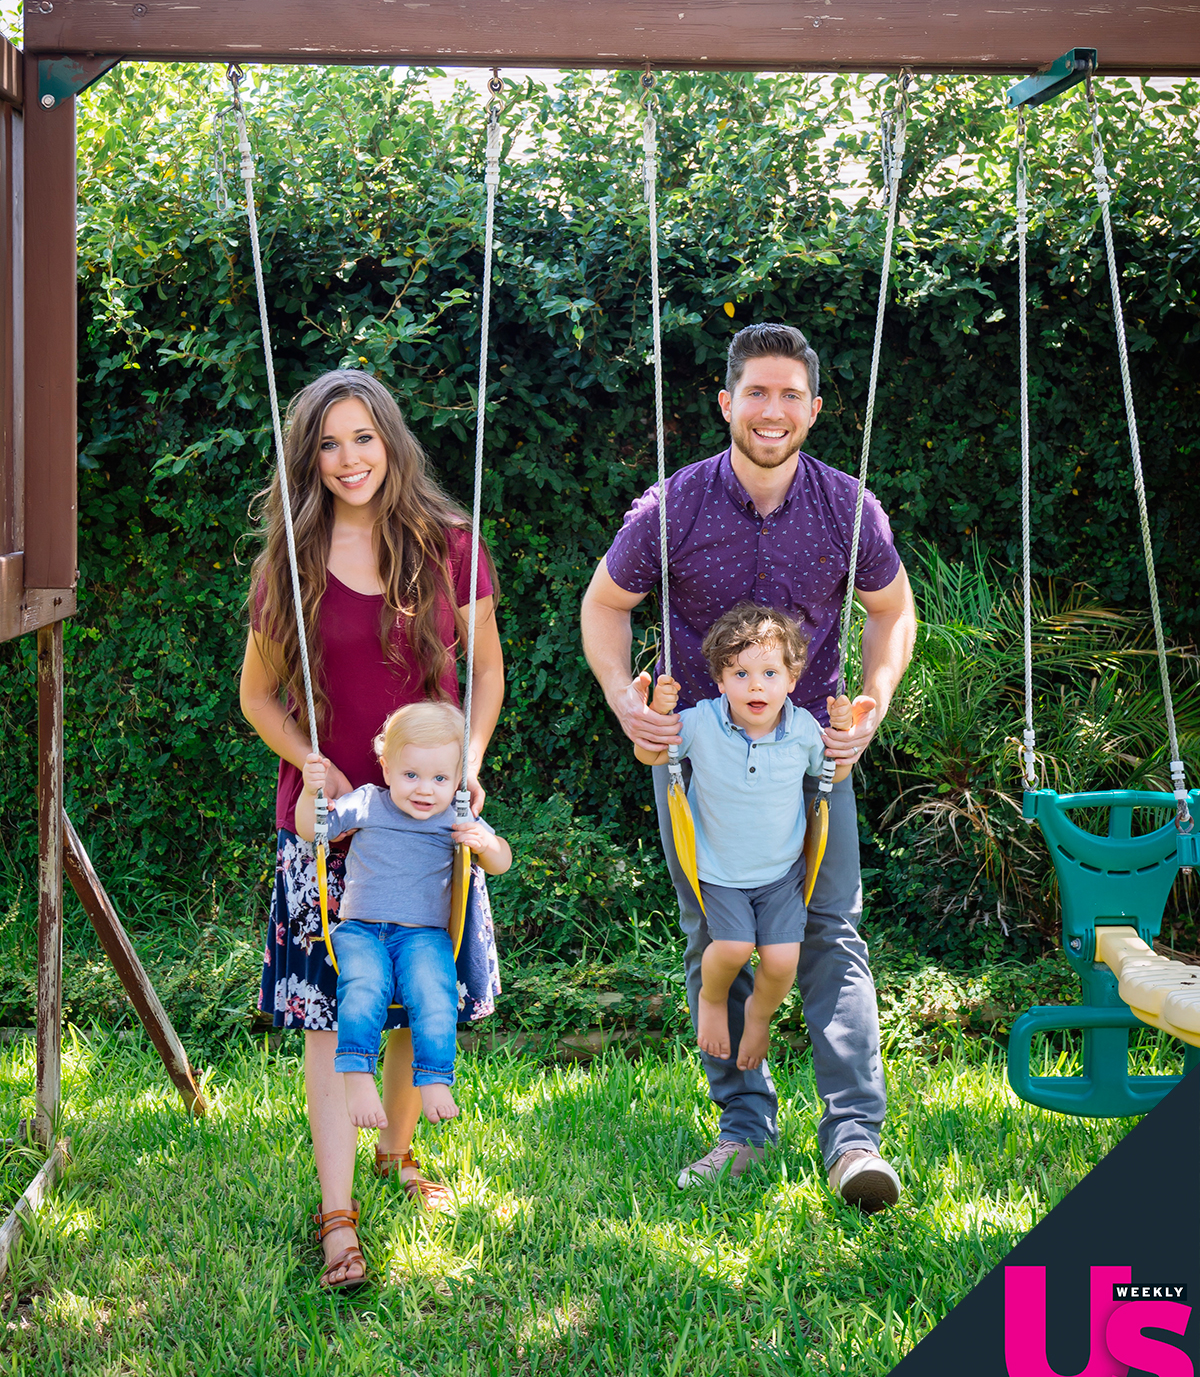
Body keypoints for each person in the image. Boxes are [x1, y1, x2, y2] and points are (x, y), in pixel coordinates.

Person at [581, 322, 916, 1212]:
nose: (773, 411)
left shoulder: (849, 506)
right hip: (696, 762)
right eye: (756, 393)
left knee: (830, 935)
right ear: (728, 403)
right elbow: (606, 604)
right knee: (714, 939)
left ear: (814, 408)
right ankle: (744, 1131)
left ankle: (854, 1142)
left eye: (790, 395)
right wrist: (622, 696)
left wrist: (872, 704)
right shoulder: (674, 505)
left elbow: (893, 612)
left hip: (813, 758)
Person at [241, 371, 504, 1288]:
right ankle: (337, 1216)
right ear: (308, 460)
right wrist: (312, 760)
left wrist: (465, 770)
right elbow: (258, 697)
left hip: (429, 818)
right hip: (328, 827)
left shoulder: (451, 548)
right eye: (327, 444)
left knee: (406, 998)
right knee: (333, 1019)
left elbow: (487, 681)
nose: (349, 460)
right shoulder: (294, 564)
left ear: (390, 440)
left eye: (363, 438)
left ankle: (396, 1156)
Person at [633, 604, 871, 1073]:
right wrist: (657, 712)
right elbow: (650, 754)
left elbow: (834, 772)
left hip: (781, 874)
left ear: (792, 680)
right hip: (718, 872)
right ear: (720, 682)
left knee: (783, 960)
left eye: (768, 672)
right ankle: (714, 1000)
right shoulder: (700, 722)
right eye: (740, 673)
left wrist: (844, 731)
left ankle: (759, 1017)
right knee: (734, 948)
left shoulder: (803, 728)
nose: (756, 685)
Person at [296, 701, 512, 1131]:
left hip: (423, 936)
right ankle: (357, 1075)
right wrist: (309, 793)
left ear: (457, 781)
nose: (424, 789)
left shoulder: (456, 816)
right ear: (386, 767)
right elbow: (312, 831)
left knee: (436, 994)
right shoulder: (366, 803)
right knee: (363, 987)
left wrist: (484, 844)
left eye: (439, 778)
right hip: (360, 931)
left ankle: (434, 1078)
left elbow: (502, 859)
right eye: (411, 775)